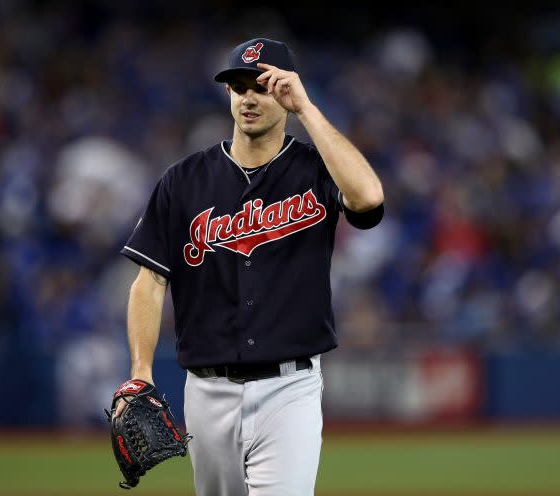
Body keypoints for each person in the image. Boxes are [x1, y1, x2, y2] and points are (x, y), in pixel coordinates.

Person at [114, 37, 385, 496]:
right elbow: (150, 280)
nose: (248, 98)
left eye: (262, 86)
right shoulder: (183, 180)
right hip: (206, 391)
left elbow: (368, 198)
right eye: (238, 87)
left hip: (290, 388)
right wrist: (141, 370)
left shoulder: (317, 170)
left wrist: (307, 110)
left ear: (286, 92)